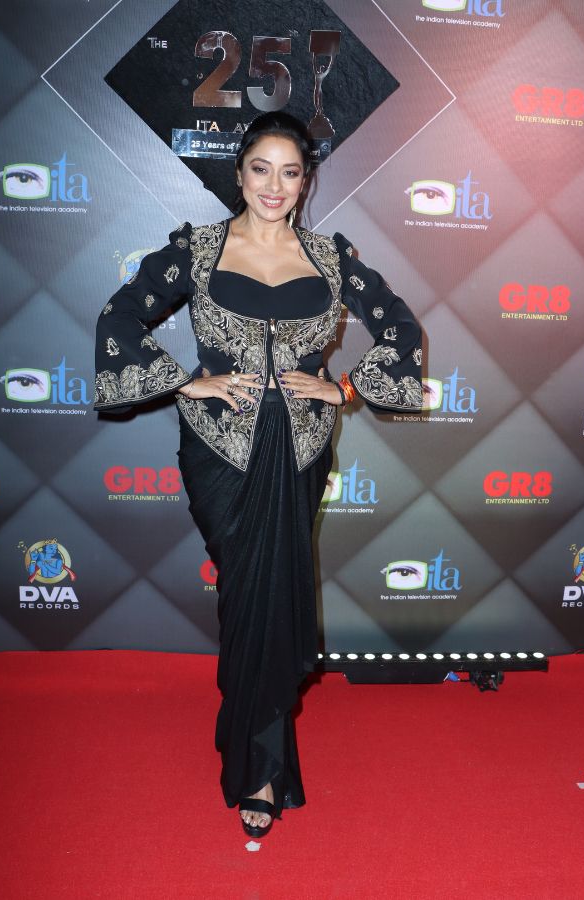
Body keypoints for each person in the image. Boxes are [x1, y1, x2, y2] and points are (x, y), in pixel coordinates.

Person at [93, 111, 424, 838]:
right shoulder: (197, 250)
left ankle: (262, 769)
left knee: (274, 600)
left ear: (306, 182)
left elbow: (400, 325)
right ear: (239, 173)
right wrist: (184, 381)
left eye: (291, 172)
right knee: (247, 597)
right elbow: (119, 317)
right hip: (219, 452)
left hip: (299, 450)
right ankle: (252, 738)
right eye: (261, 169)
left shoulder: (331, 258)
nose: (275, 186)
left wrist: (344, 388)